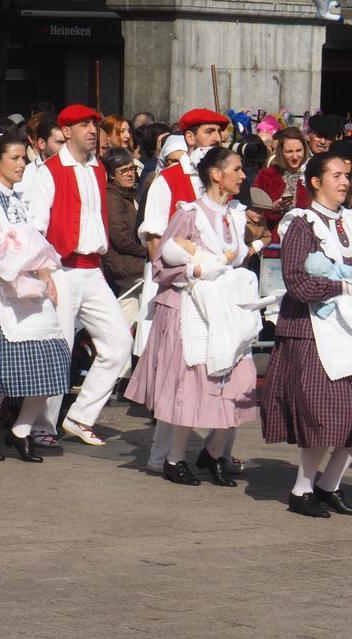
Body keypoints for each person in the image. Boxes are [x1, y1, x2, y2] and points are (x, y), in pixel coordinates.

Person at [260, 152, 352, 518]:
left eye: (346, 175)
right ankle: (302, 489)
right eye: (336, 175)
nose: (344, 181)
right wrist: (344, 287)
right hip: (312, 329)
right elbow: (297, 281)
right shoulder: (302, 223)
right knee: (325, 413)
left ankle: (329, 484)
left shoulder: (349, 221)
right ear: (316, 182)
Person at [127, 147, 266, 486]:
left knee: (240, 382)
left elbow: (236, 257)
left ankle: (213, 452)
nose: (243, 175)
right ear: (216, 174)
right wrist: (195, 270)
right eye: (236, 169)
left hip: (226, 310)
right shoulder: (189, 214)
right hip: (190, 308)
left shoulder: (236, 215)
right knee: (189, 385)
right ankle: (174, 458)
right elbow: (162, 265)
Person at [0, 134, 70, 462]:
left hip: (28, 291)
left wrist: (45, 275)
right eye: (14, 158)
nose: (21, 165)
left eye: (23, 158)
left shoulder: (18, 200)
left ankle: (21, 429)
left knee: (51, 360)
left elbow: (34, 243)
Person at [25, 104, 133, 446]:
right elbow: (36, 226)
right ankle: (42, 425)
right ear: (66, 131)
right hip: (62, 269)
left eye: (94, 124)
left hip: (93, 269)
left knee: (119, 344)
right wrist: (43, 271)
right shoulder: (49, 171)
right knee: (60, 348)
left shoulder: (98, 168)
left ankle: (80, 416)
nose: (91, 130)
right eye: (84, 124)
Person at [99, 147, 145, 336]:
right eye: (123, 171)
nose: (130, 174)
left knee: (128, 313)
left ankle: (121, 349)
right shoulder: (112, 196)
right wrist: (149, 252)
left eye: (132, 169)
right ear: (111, 175)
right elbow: (121, 238)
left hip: (130, 261)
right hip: (124, 263)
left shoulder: (128, 194)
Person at [253, 127, 310, 234]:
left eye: (299, 150)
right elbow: (254, 211)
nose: (295, 156)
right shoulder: (266, 175)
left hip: (306, 237)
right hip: (273, 238)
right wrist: (273, 208)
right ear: (281, 152)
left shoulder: (312, 175)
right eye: (289, 152)